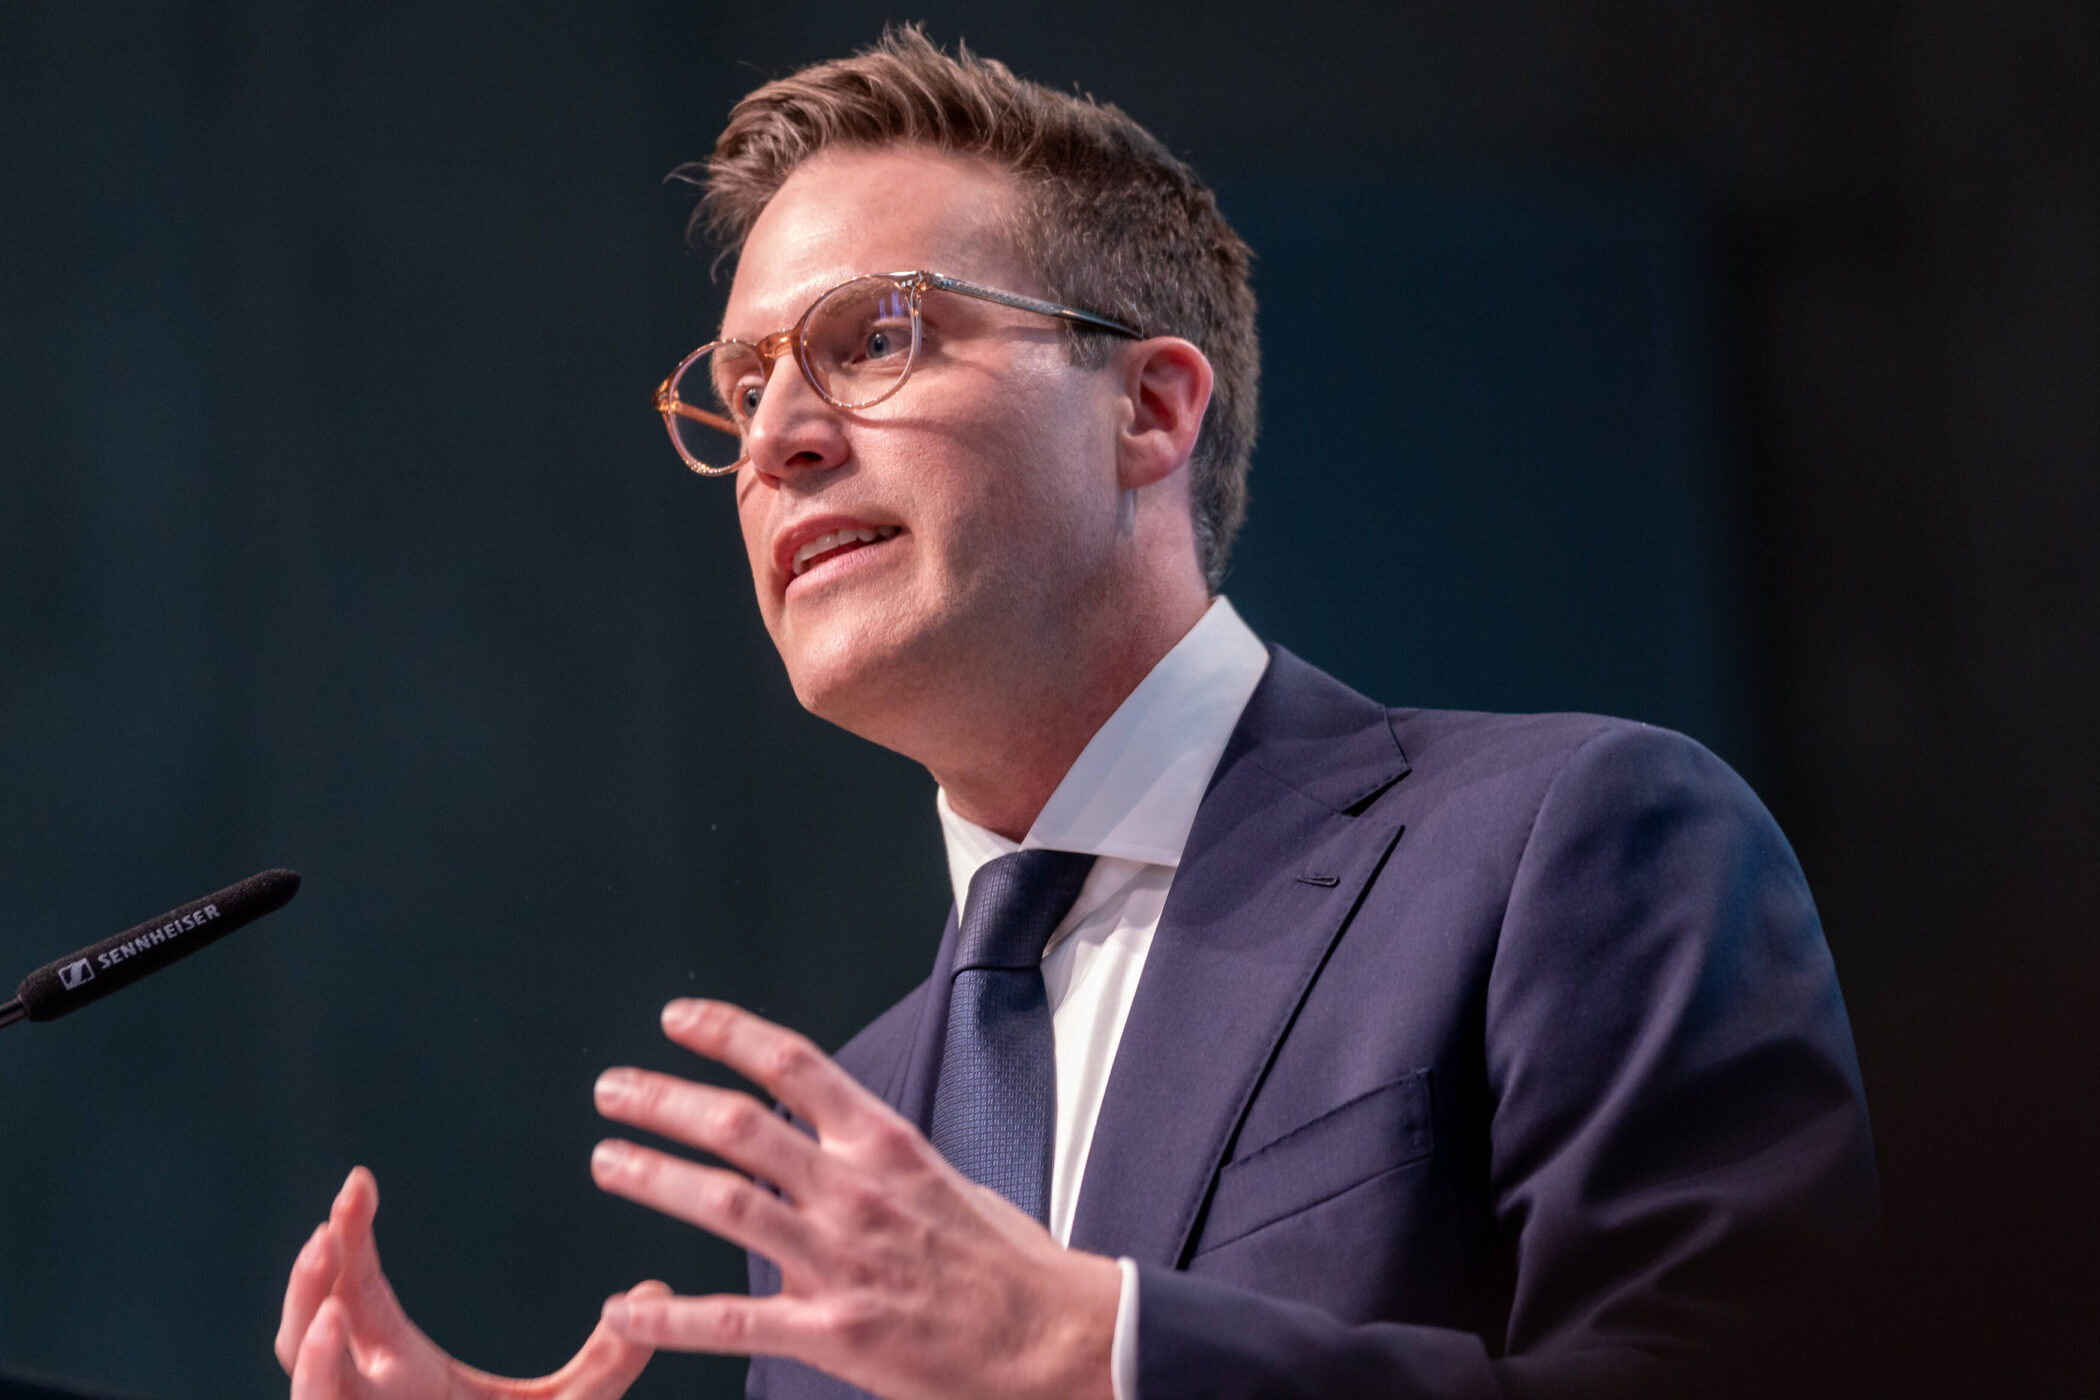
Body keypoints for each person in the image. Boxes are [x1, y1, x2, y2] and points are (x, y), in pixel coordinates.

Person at [275, 27, 1877, 1400]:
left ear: (1149, 409)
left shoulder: (1561, 847)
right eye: (746, 386)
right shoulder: (856, 1150)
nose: (775, 441)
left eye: (872, 337)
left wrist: (1098, 1351)